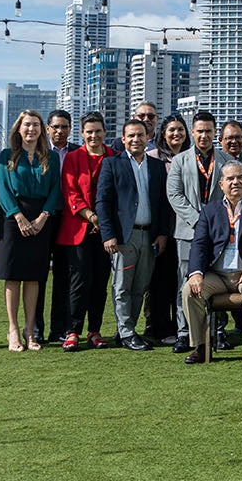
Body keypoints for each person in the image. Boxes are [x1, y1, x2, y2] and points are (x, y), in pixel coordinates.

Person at [181, 160, 242, 365]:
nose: (236, 182)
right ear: (221, 184)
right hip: (218, 274)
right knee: (189, 290)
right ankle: (201, 345)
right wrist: (196, 272)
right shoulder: (210, 210)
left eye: (240, 177)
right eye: (230, 178)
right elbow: (199, 244)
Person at [96, 119, 173, 351]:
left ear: (147, 138)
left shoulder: (157, 166)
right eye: (131, 136)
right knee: (122, 286)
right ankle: (127, 332)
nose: (136, 139)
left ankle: (126, 330)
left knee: (140, 286)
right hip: (123, 237)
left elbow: (162, 204)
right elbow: (103, 202)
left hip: (149, 235)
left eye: (140, 135)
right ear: (123, 139)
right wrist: (108, 235)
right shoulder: (112, 164)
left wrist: (162, 234)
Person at [164, 111, 236, 352]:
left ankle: (218, 331)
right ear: (192, 133)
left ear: (215, 133)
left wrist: (213, 224)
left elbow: (234, 195)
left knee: (219, 278)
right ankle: (185, 332)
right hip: (188, 230)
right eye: (199, 131)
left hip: (220, 233)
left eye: (208, 131)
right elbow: (174, 195)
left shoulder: (227, 161)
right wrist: (198, 221)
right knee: (185, 281)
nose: (204, 135)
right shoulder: (180, 160)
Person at [0, 109, 61, 352]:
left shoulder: (51, 158)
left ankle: (30, 330)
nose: (31, 129)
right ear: (18, 129)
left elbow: (56, 189)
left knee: (34, 276)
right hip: (13, 218)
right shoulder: (6, 156)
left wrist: (44, 216)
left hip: (42, 217)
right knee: (13, 275)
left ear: (42, 129)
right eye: (27, 125)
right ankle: (13, 329)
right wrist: (19, 217)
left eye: (35, 125)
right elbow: (2, 189)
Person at [57, 112, 115, 351]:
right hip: (78, 227)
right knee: (79, 281)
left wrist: (104, 220)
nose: (94, 135)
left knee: (101, 281)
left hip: (106, 231)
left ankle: (95, 330)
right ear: (82, 133)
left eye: (98, 131)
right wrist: (91, 216)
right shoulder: (73, 158)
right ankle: (73, 331)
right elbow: (70, 192)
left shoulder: (114, 156)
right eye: (89, 131)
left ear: (105, 132)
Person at [143, 114, 189, 343]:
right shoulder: (152, 158)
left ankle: (182, 326)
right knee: (159, 280)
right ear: (163, 134)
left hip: (186, 228)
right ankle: (159, 327)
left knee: (181, 279)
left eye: (180, 129)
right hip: (161, 227)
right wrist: (159, 230)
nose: (176, 134)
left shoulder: (192, 158)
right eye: (171, 130)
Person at [37, 109, 80, 343]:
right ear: (47, 128)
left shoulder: (77, 152)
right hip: (44, 219)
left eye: (64, 127)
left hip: (70, 220)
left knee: (65, 276)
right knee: (39, 275)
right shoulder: (39, 152)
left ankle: (60, 328)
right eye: (56, 127)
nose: (60, 131)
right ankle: (36, 329)